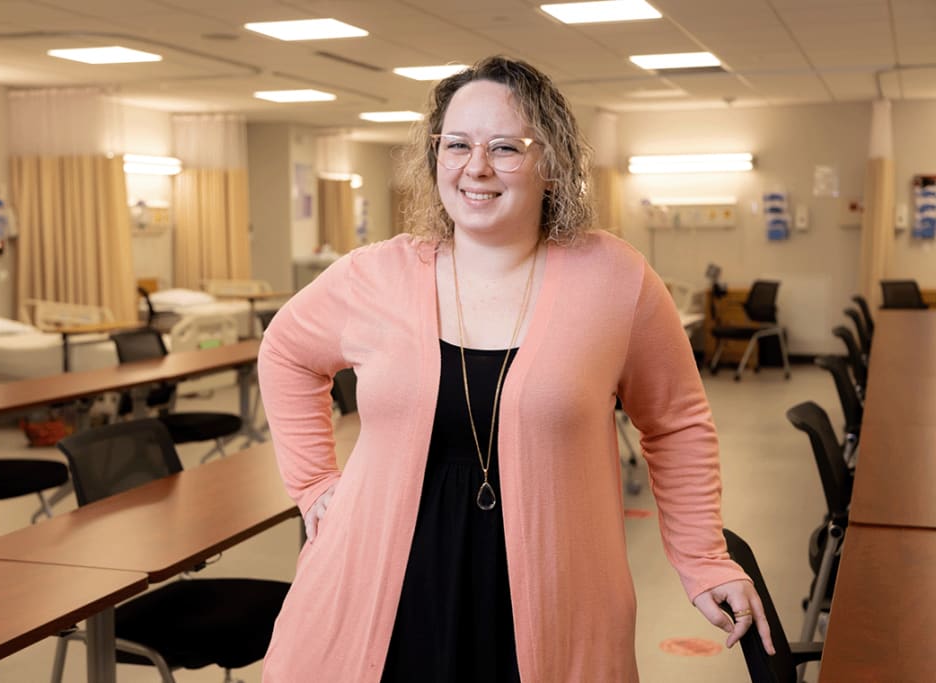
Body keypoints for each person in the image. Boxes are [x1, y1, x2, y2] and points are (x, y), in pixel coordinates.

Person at [258, 55, 774, 682]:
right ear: (435, 158)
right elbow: (284, 351)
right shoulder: (377, 275)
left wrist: (703, 560)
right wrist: (314, 483)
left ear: (550, 163)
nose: (476, 167)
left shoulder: (616, 280)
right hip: (380, 590)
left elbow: (676, 423)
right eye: (456, 145)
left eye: (505, 147)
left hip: (551, 594)